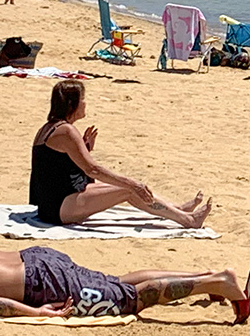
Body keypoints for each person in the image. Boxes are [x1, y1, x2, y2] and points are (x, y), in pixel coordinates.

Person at [0, 219, 250, 323]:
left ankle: (218, 282)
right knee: (116, 283)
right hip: (37, 257)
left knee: (128, 302)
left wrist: (34, 312)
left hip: (38, 286)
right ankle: (208, 276)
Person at [31, 81, 211, 228]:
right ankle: (188, 221)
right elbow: (92, 170)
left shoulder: (50, 128)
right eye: (83, 99)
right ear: (72, 104)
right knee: (128, 188)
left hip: (52, 203)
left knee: (127, 186)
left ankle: (176, 209)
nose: (85, 103)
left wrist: (86, 149)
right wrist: (131, 183)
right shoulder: (66, 131)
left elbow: (58, 166)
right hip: (58, 208)